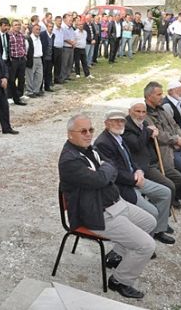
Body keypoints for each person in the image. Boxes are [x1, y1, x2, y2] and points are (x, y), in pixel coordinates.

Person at [58, 114, 156, 299]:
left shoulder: (89, 148)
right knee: (146, 246)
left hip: (115, 203)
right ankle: (119, 281)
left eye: (91, 130)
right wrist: (104, 171)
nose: (88, 134)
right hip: (96, 213)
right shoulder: (69, 160)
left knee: (150, 222)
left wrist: (104, 170)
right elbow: (102, 177)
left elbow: (110, 167)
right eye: (83, 131)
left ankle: (116, 255)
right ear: (70, 134)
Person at [95, 110, 175, 245]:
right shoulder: (103, 143)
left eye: (121, 121)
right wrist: (134, 178)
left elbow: (130, 159)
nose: (119, 123)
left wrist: (138, 170)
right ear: (106, 123)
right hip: (123, 186)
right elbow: (114, 173)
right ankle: (144, 241)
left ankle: (158, 230)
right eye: (115, 121)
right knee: (151, 212)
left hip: (135, 178)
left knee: (165, 192)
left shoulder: (118, 137)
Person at [123, 101, 181, 209]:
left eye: (143, 112)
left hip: (155, 161)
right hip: (144, 165)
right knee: (169, 186)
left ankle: (162, 203)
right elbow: (137, 145)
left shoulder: (144, 124)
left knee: (178, 178)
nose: (141, 115)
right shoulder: (126, 126)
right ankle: (163, 211)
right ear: (129, 111)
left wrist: (153, 133)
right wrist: (148, 132)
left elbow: (152, 138)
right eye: (137, 111)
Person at [7, 19, 28, 105]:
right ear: (12, 26)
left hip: (21, 59)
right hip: (14, 59)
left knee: (21, 78)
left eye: (19, 25)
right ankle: (10, 96)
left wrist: (24, 55)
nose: (18, 26)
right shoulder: (9, 36)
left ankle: (20, 94)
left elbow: (23, 45)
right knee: (12, 79)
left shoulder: (21, 35)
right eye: (15, 25)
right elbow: (8, 47)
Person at [25, 23, 44, 96]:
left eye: (39, 29)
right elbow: (26, 50)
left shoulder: (39, 38)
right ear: (32, 30)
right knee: (30, 76)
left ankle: (36, 90)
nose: (38, 31)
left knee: (39, 75)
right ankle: (29, 91)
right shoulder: (29, 39)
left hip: (39, 58)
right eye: (36, 29)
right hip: (32, 58)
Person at [40, 21, 55, 92]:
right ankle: (40, 88)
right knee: (42, 72)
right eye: (49, 26)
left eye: (52, 27)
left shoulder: (53, 35)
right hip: (44, 56)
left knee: (49, 72)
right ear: (47, 27)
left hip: (50, 56)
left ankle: (47, 86)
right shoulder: (42, 34)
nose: (51, 28)